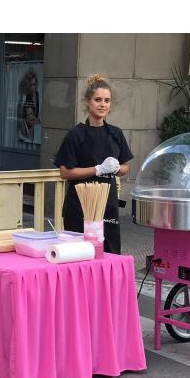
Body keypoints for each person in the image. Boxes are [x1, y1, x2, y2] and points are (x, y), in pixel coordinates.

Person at [54, 73, 133, 254]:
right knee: (79, 254)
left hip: (108, 204)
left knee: (110, 251)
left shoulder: (116, 134)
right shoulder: (76, 134)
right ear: (87, 102)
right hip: (80, 205)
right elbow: (65, 172)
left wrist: (118, 168)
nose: (102, 104)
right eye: (98, 99)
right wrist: (97, 169)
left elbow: (126, 167)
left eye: (107, 100)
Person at [18, 68, 40, 143]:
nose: (32, 87)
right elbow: (22, 116)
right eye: (30, 85)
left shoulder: (38, 95)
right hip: (27, 128)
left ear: (36, 85)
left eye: (34, 84)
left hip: (36, 127)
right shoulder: (26, 97)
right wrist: (27, 120)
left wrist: (37, 120)